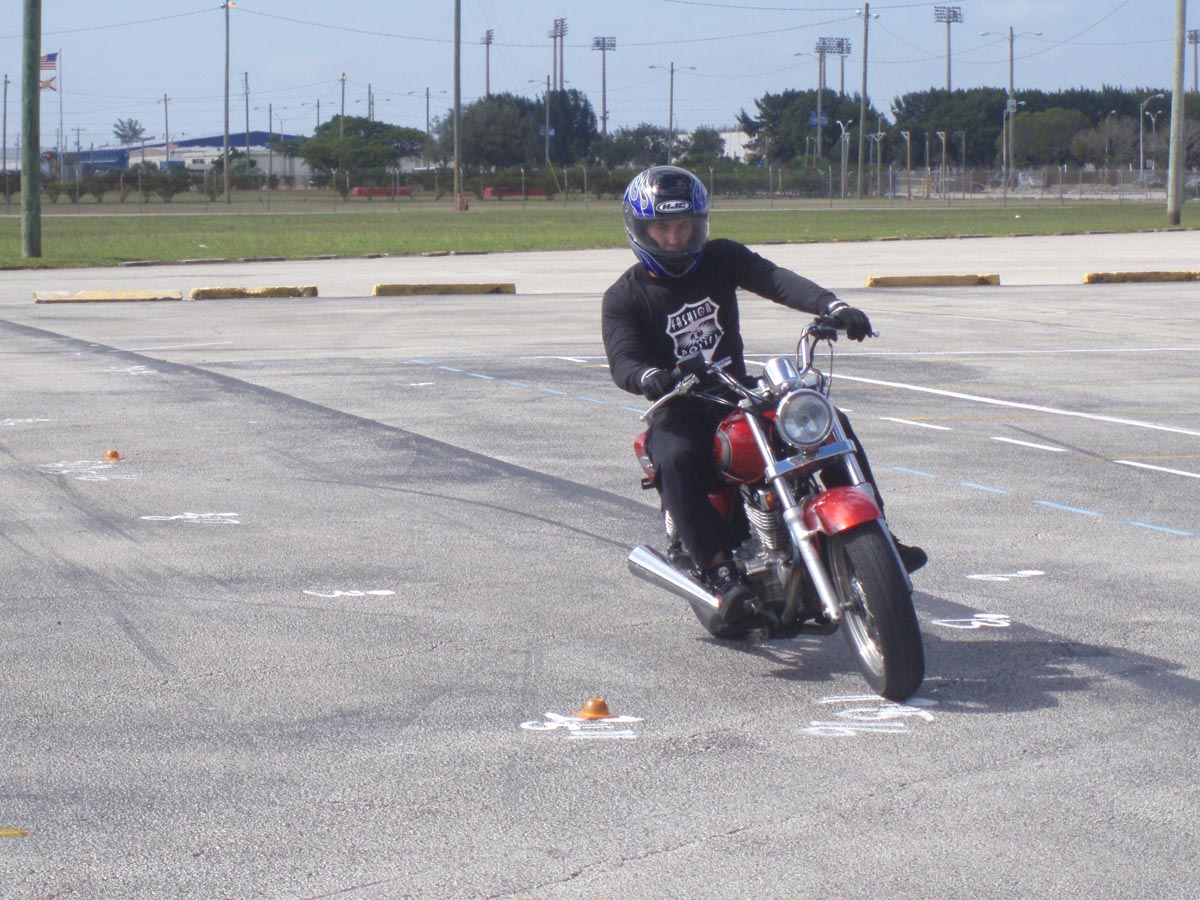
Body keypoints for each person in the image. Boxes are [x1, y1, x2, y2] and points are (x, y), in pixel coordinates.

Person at [601, 165, 926, 627]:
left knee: (825, 419)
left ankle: (880, 539)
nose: (675, 239)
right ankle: (718, 570)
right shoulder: (625, 296)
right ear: (640, 230)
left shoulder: (720, 258)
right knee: (673, 457)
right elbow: (623, 359)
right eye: (663, 229)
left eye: (685, 227)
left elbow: (774, 278)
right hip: (680, 404)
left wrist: (831, 306)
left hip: (735, 391)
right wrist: (649, 375)